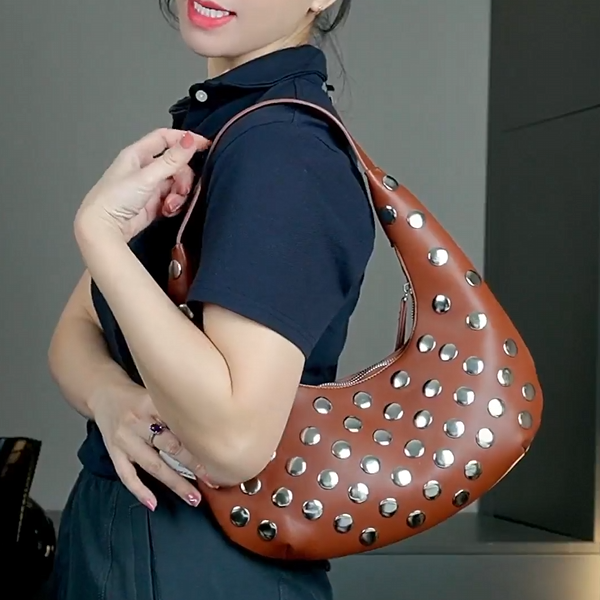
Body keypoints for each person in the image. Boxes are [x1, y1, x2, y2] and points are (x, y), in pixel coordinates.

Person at [45, 0, 375, 597]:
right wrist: (111, 397)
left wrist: (99, 235)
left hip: (197, 557)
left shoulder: (281, 150)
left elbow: (232, 442)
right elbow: (75, 330)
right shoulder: (221, 129)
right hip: (127, 538)